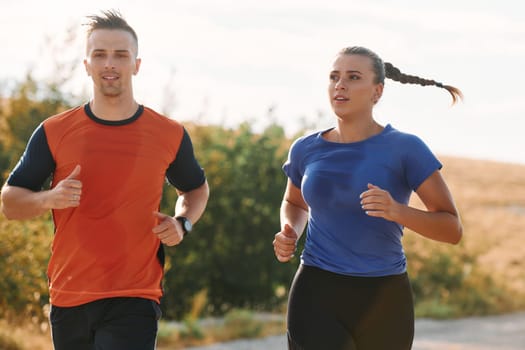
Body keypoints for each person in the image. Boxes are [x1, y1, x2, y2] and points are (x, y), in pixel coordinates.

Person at [0, 9, 209, 350]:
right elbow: (9, 203)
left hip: (135, 294)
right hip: (70, 293)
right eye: (100, 54)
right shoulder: (54, 132)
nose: (109, 63)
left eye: (120, 55)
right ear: (87, 65)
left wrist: (183, 223)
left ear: (136, 65)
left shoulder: (168, 134)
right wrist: (47, 198)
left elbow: (196, 188)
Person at [273, 46, 463, 350]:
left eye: (353, 77)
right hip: (316, 289)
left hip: (385, 297)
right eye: (334, 77)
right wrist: (290, 230)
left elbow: (452, 229)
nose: (340, 85)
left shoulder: (406, 149)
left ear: (378, 91)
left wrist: (398, 211)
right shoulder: (305, 149)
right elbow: (295, 203)